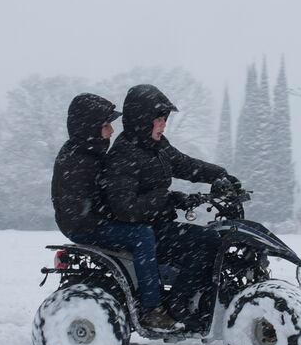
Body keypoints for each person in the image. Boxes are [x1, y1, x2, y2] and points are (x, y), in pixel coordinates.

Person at [102, 84, 236, 328]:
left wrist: (220, 175)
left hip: (158, 224)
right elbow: (125, 207)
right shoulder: (123, 155)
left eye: (165, 119)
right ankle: (178, 304)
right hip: (142, 230)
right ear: (143, 121)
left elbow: (185, 165)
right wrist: (169, 199)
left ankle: (202, 299)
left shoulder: (156, 146)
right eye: (160, 119)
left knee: (212, 237)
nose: (164, 124)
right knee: (207, 242)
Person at [52, 93, 183, 332]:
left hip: (90, 221)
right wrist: (128, 211)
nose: (112, 130)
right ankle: (151, 309)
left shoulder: (88, 152)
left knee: (145, 228)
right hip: (85, 226)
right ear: (90, 127)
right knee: (141, 235)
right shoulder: (79, 160)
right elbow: (88, 205)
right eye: (106, 125)